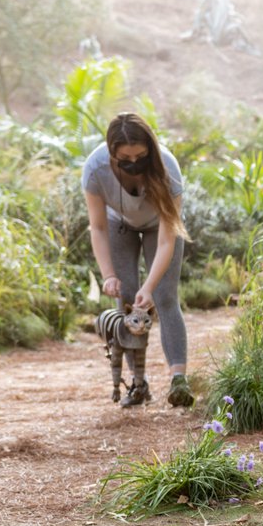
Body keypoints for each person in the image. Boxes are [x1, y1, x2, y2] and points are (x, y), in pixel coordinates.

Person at [83, 112, 194, 408]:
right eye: (125, 158)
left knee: (165, 296)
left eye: (140, 156)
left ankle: (178, 381)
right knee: (127, 301)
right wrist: (108, 275)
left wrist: (150, 286)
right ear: (112, 152)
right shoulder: (95, 169)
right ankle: (138, 383)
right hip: (118, 225)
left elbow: (167, 239)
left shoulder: (167, 166)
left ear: (150, 150)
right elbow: (98, 227)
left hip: (161, 226)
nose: (133, 163)